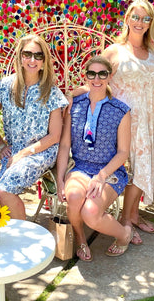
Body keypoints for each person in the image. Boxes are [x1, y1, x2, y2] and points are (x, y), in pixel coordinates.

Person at [71, 0, 154, 244]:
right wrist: (71, 96)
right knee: (127, 169)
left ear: (151, 22)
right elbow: (97, 77)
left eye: (145, 18)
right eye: (135, 16)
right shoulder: (115, 50)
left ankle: (132, 215)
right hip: (119, 119)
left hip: (149, 119)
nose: (139, 22)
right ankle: (126, 221)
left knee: (142, 169)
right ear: (127, 19)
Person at [57, 56, 133, 260]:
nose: (97, 78)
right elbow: (65, 145)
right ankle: (81, 239)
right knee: (73, 198)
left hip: (109, 170)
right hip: (80, 167)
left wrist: (101, 176)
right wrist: (60, 178)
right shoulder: (74, 105)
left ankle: (124, 234)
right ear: (86, 76)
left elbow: (123, 152)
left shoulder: (121, 111)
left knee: (90, 212)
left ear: (110, 77)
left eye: (102, 74)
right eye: (92, 74)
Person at [0, 34, 68, 219]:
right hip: (14, 151)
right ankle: (16, 232)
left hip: (42, 151)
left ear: (44, 61)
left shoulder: (51, 92)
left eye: (38, 55)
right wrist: (1, 144)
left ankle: (22, 236)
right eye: (28, 54)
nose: (32, 60)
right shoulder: (5, 86)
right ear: (20, 57)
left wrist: (24, 154)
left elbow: (54, 136)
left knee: (4, 189)